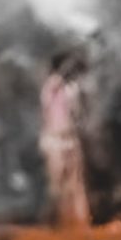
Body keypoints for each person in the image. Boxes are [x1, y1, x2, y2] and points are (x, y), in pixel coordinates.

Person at [42, 51, 93, 230]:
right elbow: (54, 86)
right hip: (55, 140)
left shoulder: (72, 89)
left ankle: (80, 222)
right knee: (57, 182)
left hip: (71, 138)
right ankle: (57, 222)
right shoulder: (51, 86)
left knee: (76, 182)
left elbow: (79, 112)